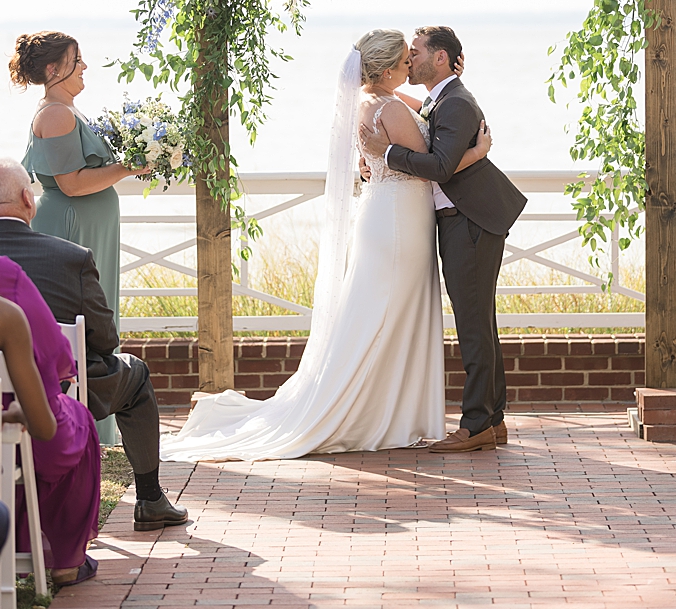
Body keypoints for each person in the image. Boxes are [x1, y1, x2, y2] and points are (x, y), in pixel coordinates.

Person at [162, 29, 500, 461]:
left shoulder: (370, 102)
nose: (409, 65)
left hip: (387, 215)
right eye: (403, 61)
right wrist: (476, 153)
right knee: (387, 314)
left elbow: (426, 122)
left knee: (382, 314)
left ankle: (388, 408)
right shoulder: (390, 108)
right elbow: (436, 167)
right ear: (385, 69)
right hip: (399, 224)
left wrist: (443, 88)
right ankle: (374, 410)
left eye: (413, 58)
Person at [0, 157, 185, 534]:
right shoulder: (70, 257)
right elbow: (105, 339)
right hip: (57, 396)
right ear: (27, 199)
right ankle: (150, 499)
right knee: (135, 374)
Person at [365, 25, 526, 452]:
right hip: (460, 219)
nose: (410, 59)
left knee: (473, 326)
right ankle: (493, 419)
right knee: (480, 322)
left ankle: (475, 426)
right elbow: (422, 114)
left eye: (415, 52)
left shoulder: (456, 102)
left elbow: (439, 165)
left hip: (470, 220)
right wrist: (378, 89)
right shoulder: (444, 97)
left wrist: (385, 152)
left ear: (439, 58)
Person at [12, 32, 146, 445]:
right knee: (83, 317)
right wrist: (129, 167)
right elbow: (70, 184)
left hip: (89, 221)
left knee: (95, 311)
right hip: (73, 223)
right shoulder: (55, 114)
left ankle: (95, 421)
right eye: (77, 59)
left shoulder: (66, 109)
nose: (85, 66)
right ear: (54, 69)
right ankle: (85, 421)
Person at [0, 158, 106, 587]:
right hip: (17, 428)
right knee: (73, 419)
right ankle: (62, 559)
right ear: (29, 198)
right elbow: (61, 360)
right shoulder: (8, 284)